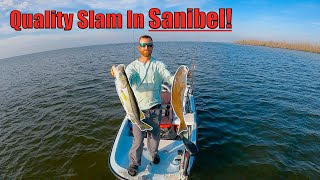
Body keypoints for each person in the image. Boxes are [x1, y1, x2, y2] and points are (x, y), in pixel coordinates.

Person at [110, 35, 174, 176]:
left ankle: (153, 153)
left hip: (155, 108)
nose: (147, 47)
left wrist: (179, 79)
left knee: (155, 135)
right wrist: (117, 75)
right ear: (139, 47)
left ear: (153, 46)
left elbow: (168, 76)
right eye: (143, 45)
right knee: (138, 139)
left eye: (149, 45)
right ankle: (134, 162)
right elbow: (127, 78)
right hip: (136, 110)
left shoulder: (158, 65)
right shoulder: (132, 67)